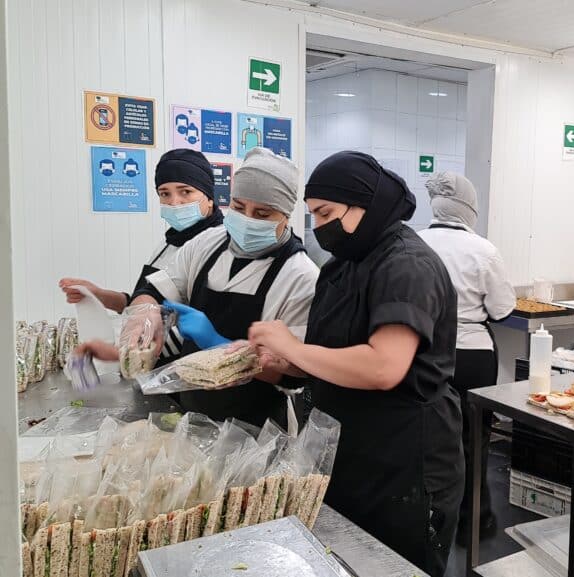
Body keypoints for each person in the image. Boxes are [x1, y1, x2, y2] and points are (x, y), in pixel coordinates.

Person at [247, 151, 462, 577]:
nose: (319, 227)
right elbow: (332, 354)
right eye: (312, 216)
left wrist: (292, 345)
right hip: (350, 456)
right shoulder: (343, 265)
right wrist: (281, 362)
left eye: (326, 213)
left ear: (366, 203)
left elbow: (385, 366)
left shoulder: (407, 265)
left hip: (405, 466)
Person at [129, 147, 319, 427]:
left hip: (258, 426)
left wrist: (222, 347)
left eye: (263, 213)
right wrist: (142, 317)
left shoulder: (301, 276)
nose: (247, 219)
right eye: (239, 208)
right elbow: (153, 290)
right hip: (192, 411)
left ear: (286, 216)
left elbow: (295, 372)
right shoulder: (206, 244)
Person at [418, 171, 515, 543]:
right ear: (469, 209)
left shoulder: (413, 243)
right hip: (472, 356)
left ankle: (430, 520)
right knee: (473, 441)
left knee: (428, 438)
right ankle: (476, 520)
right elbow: (503, 308)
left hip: (423, 353)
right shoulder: (484, 251)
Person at [59, 149, 225, 312]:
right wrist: (99, 295)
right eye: (165, 193)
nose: (174, 202)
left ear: (209, 197)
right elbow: (141, 306)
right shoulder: (171, 241)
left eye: (186, 192)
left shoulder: (220, 246)